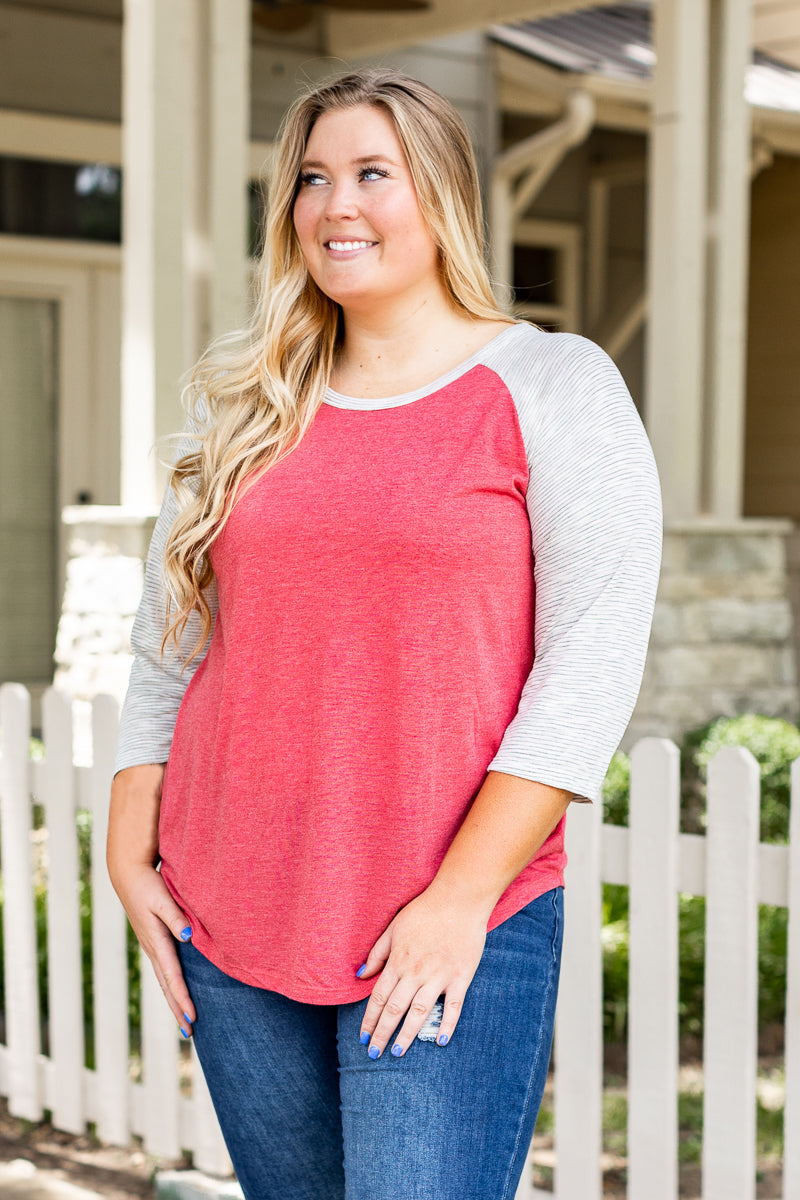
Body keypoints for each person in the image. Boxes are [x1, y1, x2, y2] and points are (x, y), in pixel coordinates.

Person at [107, 68, 662, 1200]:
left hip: (448, 914)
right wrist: (129, 837)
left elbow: (586, 668)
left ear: (443, 196)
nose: (333, 205)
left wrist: (457, 901)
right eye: (310, 179)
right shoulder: (250, 406)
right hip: (231, 911)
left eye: (371, 173)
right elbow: (171, 640)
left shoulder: (548, 384)